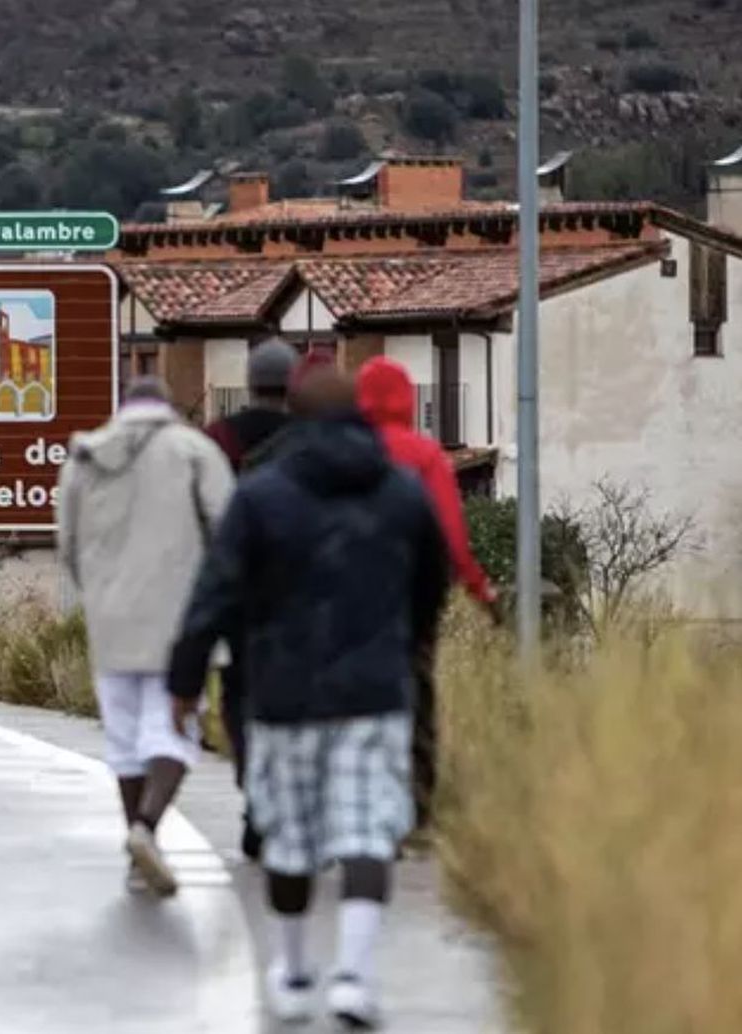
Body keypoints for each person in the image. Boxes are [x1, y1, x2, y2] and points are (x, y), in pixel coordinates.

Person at [169, 367, 449, 1027]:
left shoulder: (261, 497)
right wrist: (404, 648)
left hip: (283, 694)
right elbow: (430, 585)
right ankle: (354, 975)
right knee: (366, 833)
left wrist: (185, 681)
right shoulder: (404, 494)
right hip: (375, 690)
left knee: (290, 843)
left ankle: (293, 970)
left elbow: (216, 593)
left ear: (292, 416)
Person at [57, 375, 234, 897]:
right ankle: (147, 828)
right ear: (167, 408)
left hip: (110, 619)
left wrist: (97, 594)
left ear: (122, 409)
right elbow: (226, 530)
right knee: (172, 731)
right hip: (181, 619)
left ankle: (139, 852)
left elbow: (66, 543)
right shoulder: (195, 451)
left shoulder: (83, 459)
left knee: (126, 739)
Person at [354, 357, 500, 833]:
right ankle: (417, 804)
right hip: (414, 593)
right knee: (417, 690)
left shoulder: (347, 452)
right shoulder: (424, 454)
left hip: (351, 595)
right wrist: (479, 588)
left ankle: (357, 792)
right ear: (407, 400)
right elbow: (450, 532)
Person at [202, 338, 300, 861]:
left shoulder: (219, 438)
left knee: (240, 697)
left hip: (241, 593)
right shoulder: (308, 438)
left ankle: (253, 787)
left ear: (250, 381)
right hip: (304, 594)